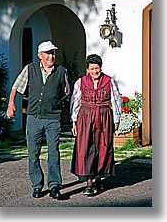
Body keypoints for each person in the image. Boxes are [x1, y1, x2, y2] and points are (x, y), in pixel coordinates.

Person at [7, 41, 70, 199]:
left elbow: (66, 91)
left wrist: (54, 101)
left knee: (53, 152)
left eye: (53, 53)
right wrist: (11, 103)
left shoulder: (61, 71)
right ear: (40, 55)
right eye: (48, 53)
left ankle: (55, 186)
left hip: (53, 118)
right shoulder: (30, 69)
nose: (51, 56)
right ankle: (37, 185)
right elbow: (16, 86)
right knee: (33, 153)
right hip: (33, 117)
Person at [70, 54, 122, 196]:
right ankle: (89, 182)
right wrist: (74, 121)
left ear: (101, 67)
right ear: (87, 69)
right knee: (86, 147)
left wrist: (116, 120)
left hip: (104, 117)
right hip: (85, 117)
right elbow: (75, 101)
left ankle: (98, 180)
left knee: (103, 147)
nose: (94, 71)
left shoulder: (109, 81)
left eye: (97, 68)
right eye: (92, 69)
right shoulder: (80, 82)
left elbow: (116, 100)